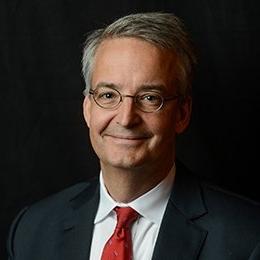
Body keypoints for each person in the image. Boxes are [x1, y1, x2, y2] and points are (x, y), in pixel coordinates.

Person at [7, 12, 260, 260]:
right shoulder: (32, 230)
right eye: (108, 95)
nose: (126, 118)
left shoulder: (248, 237)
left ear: (182, 114)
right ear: (88, 109)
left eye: (150, 98)